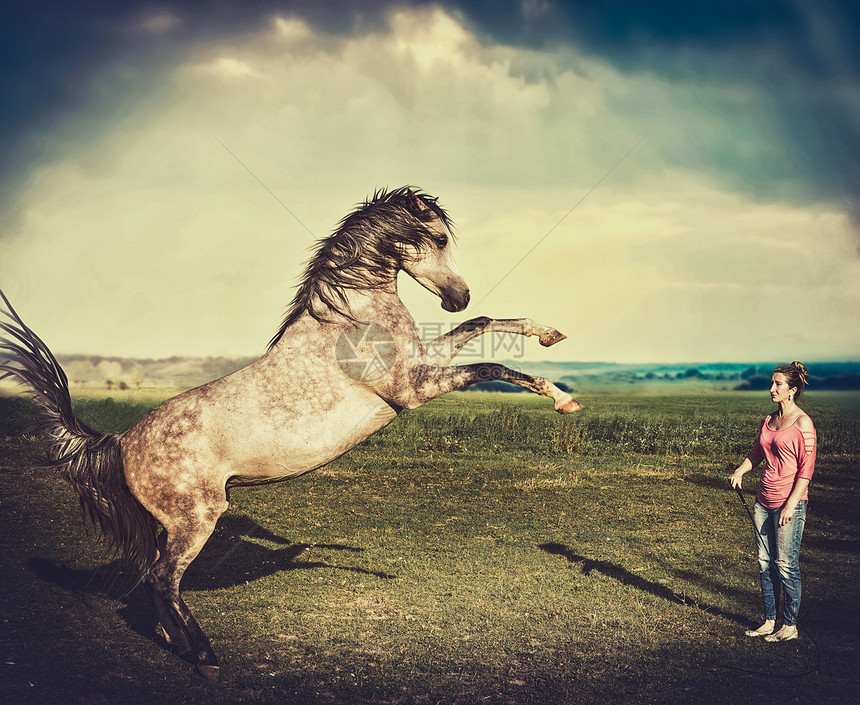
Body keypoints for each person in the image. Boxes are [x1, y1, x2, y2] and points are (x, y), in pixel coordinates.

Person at [729, 362, 816, 642]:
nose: (771, 389)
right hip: (762, 501)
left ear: (792, 390)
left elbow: (806, 470)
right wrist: (741, 470)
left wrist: (791, 505)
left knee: (786, 563)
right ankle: (769, 620)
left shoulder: (803, 423)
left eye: (778, 384)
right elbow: (757, 452)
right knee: (764, 562)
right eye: (771, 383)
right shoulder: (769, 420)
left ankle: (789, 625)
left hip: (788, 503)